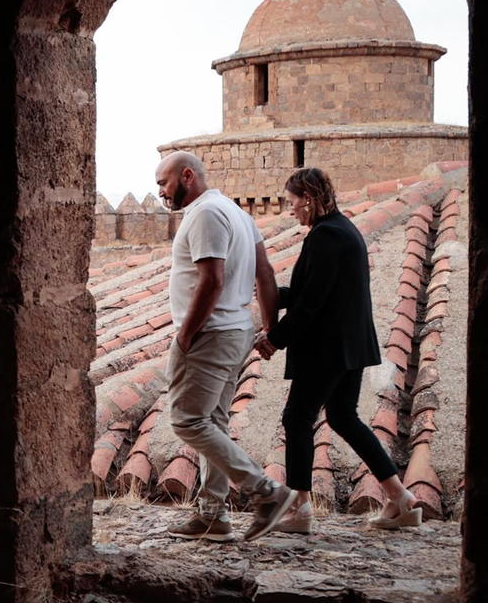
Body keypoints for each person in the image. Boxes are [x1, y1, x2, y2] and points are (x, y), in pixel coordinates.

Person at [254, 167, 421, 531]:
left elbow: (312, 303)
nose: (290, 209)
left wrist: (274, 339)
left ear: (309, 199)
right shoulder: (343, 230)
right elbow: (313, 292)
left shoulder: (326, 236)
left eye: (292, 201)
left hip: (328, 349)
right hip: (350, 346)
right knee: (343, 418)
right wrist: (269, 295)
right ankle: (401, 499)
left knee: (297, 418)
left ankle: (299, 509)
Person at [154, 151, 298, 542]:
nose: (161, 194)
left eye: (163, 184)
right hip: (236, 332)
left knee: (187, 420)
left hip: (210, 335)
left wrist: (185, 334)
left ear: (187, 176)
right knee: (213, 422)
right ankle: (213, 515)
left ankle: (266, 492)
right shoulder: (239, 214)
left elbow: (212, 280)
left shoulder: (204, 213)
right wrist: (269, 326)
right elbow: (265, 272)